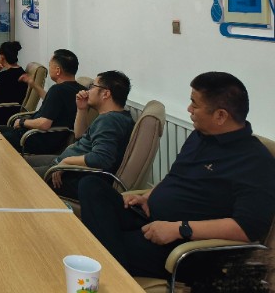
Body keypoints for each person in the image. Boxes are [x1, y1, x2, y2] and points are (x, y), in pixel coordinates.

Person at [79, 72, 275, 280]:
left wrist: (179, 229)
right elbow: (176, 177)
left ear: (220, 116)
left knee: (95, 244)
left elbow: (246, 229)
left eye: (194, 104)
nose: (189, 109)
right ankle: (112, 261)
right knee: (91, 185)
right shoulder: (200, 136)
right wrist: (147, 196)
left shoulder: (255, 161)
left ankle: (111, 270)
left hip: (183, 245)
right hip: (150, 218)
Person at [26, 70, 134, 199]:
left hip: (73, 175)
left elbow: (101, 158)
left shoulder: (109, 120)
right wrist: (81, 109)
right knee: (21, 162)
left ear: (105, 94)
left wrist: (66, 162)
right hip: (65, 166)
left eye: (92, 86)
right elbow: (79, 135)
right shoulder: (118, 117)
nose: (88, 90)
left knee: (20, 174)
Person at [0, 49, 85, 154]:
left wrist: (22, 122)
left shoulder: (57, 90)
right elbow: (51, 101)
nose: (49, 68)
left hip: (36, 139)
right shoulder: (79, 90)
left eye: (50, 65)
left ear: (58, 70)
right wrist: (33, 84)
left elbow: (44, 124)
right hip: (53, 139)